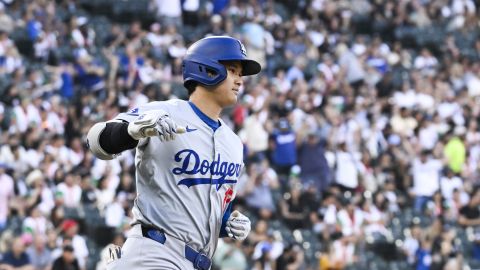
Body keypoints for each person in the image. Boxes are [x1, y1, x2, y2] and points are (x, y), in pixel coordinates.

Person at [86, 35, 261, 269]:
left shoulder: (234, 143)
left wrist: (227, 222)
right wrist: (130, 131)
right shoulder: (165, 112)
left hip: (197, 262)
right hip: (155, 253)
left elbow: (207, 210)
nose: (240, 80)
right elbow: (96, 140)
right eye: (232, 70)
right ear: (207, 69)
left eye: (241, 73)